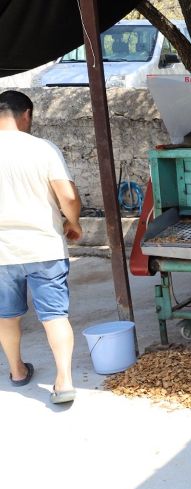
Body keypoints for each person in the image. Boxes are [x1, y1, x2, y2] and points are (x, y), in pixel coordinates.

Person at [0, 90, 82, 404]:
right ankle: (64, 382)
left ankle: (17, 371)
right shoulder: (42, 149)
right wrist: (73, 223)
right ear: (27, 115)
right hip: (45, 246)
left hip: (2, 252)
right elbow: (69, 197)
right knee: (54, 315)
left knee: (7, 317)